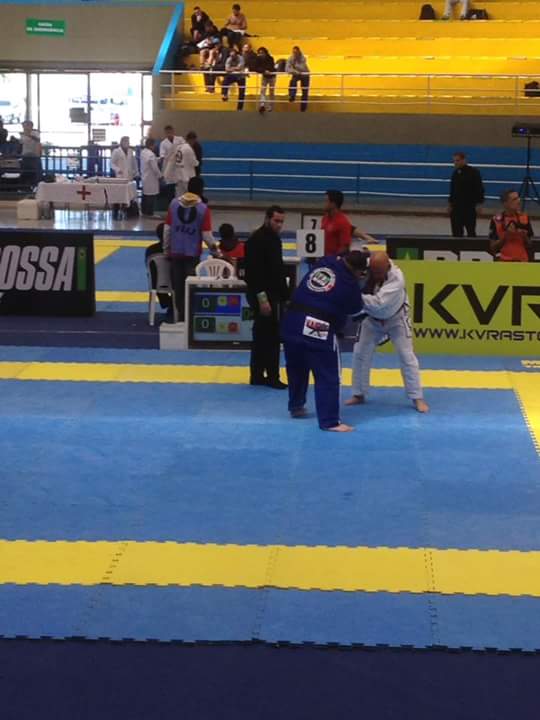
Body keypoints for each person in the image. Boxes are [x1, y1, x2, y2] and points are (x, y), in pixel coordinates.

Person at [282, 251, 369, 432]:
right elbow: (355, 311)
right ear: (358, 271)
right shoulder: (350, 284)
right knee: (328, 373)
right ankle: (330, 421)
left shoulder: (326, 261)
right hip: (317, 325)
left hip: (291, 321)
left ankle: (296, 405)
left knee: (296, 367)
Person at [346, 251, 429, 414]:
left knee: (407, 355)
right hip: (372, 319)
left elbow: (378, 303)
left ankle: (417, 397)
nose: (376, 275)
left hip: (396, 319)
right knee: (360, 353)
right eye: (373, 271)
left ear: (387, 266)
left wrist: (352, 295)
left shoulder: (397, 278)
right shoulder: (365, 266)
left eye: (379, 272)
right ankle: (358, 393)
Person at [245, 206, 289, 389]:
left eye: (281, 222)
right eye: (276, 221)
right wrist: (262, 300)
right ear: (267, 219)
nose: (279, 225)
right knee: (269, 337)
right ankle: (271, 376)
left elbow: (278, 270)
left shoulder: (275, 239)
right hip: (261, 294)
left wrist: (286, 296)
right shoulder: (256, 240)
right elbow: (253, 275)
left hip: (273, 293)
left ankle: (257, 375)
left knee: (263, 335)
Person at [163, 177, 218, 321]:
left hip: (175, 252)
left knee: (178, 288)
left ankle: (180, 317)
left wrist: (166, 249)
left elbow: (167, 230)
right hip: (192, 254)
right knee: (191, 288)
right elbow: (207, 235)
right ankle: (189, 319)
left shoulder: (173, 204)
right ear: (201, 190)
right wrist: (216, 252)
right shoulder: (203, 209)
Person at [489, 189, 534, 262]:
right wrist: (506, 236)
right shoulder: (496, 220)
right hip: (503, 262)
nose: (519, 201)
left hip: (522, 261)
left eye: (518, 198)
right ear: (505, 203)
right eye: (514, 199)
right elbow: (493, 247)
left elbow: (530, 245)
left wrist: (524, 236)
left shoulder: (525, 218)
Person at [448, 152, 484, 237]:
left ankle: (472, 245)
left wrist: (479, 204)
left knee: (471, 230)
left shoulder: (474, 172)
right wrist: (450, 204)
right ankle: (457, 245)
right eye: (454, 161)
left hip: (469, 207)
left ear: (464, 160)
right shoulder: (455, 173)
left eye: (457, 160)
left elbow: (479, 188)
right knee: (456, 231)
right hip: (456, 207)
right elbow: (453, 190)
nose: (455, 163)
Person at [145, 222, 172, 315]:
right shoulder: (176, 250)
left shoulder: (150, 250)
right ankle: (173, 304)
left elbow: (148, 267)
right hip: (174, 282)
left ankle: (166, 302)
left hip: (156, 283)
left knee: (152, 276)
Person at [321, 189, 353, 256]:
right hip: (323, 257)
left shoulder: (342, 222)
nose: (323, 204)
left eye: (326, 201)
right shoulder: (325, 218)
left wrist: (332, 258)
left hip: (333, 259)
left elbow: (345, 247)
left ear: (333, 204)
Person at [159, 125, 185, 203]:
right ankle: (170, 205)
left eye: (170, 132)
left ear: (173, 131)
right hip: (168, 168)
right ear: (165, 133)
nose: (169, 134)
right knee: (170, 189)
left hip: (178, 167)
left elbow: (184, 149)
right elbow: (162, 155)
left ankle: (179, 204)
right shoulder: (163, 143)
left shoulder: (180, 139)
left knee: (179, 189)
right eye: (167, 132)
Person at [140, 138, 161, 216]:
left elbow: (151, 161)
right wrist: (160, 176)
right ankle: (150, 213)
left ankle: (144, 212)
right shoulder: (151, 154)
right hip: (151, 178)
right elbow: (155, 168)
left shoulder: (143, 152)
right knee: (151, 196)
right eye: (154, 145)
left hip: (145, 177)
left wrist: (158, 159)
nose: (154, 146)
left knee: (145, 195)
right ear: (151, 145)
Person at [286, 46, 310, 112]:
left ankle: (303, 109)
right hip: (296, 74)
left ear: (299, 52)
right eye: (294, 52)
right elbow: (287, 69)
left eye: (296, 52)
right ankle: (292, 96)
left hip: (305, 74)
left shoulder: (303, 58)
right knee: (292, 81)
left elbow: (302, 68)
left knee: (305, 91)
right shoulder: (290, 58)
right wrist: (295, 71)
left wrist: (293, 67)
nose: (295, 54)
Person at [20, 120, 42, 187]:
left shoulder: (35, 132)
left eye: (25, 125)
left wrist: (28, 135)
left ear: (30, 126)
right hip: (25, 155)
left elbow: (38, 139)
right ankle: (25, 187)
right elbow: (21, 143)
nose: (24, 127)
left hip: (34, 156)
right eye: (23, 126)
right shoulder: (23, 134)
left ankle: (36, 187)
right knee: (26, 172)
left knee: (36, 173)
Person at [256, 47, 276, 114]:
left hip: (272, 77)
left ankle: (271, 107)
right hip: (264, 76)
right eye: (259, 53)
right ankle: (262, 105)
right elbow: (256, 68)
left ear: (265, 53)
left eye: (262, 53)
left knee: (271, 92)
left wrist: (265, 70)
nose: (261, 54)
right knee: (262, 91)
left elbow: (271, 67)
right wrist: (264, 71)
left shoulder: (270, 58)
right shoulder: (258, 59)